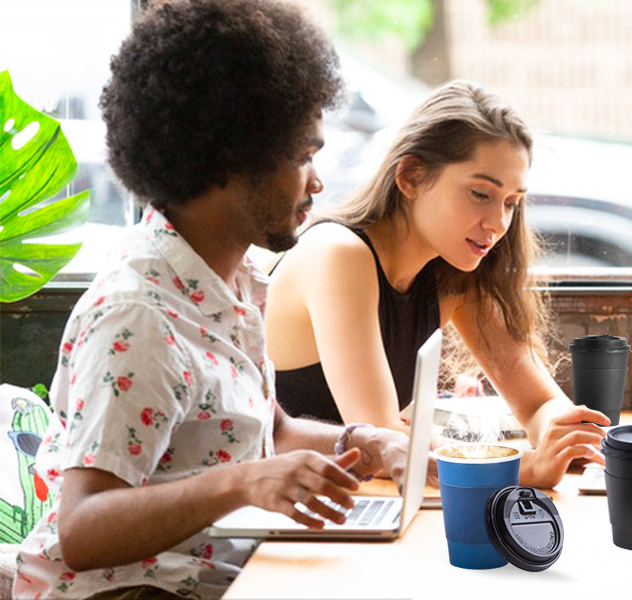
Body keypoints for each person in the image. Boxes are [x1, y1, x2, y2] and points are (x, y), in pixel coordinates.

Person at [14, 2, 411, 598]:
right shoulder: (139, 316)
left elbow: (265, 432)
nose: (318, 182)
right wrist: (242, 483)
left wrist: (362, 442)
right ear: (228, 156)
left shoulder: (234, 282)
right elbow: (83, 528)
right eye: (303, 157)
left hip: (222, 574)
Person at [265, 81, 609, 489]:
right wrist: (524, 468)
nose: (499, 223)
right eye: (481, 193)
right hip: (286, 511)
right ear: (410, 177)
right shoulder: (339, 254)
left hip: (363, 501)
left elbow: (538, 403)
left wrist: (559, 432)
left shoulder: (457, 273)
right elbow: (383, 444)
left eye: (512, 202)